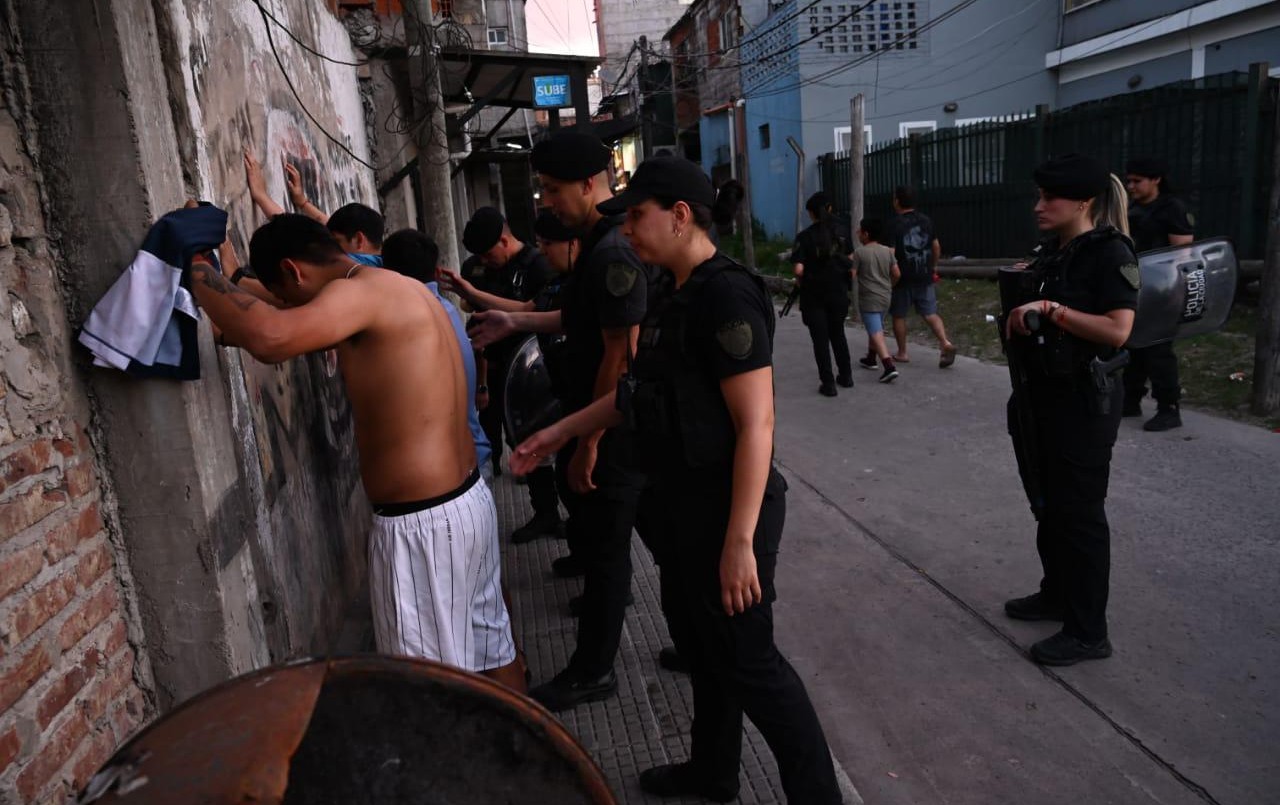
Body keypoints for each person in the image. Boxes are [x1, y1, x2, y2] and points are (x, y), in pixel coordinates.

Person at [509, 156, 842, 804]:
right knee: (702, 647)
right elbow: (636, 394)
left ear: (681, 215)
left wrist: (739, 541)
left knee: (751, 661)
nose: (627, 229)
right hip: (682, 502)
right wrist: (560, 432)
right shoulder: (671, 291)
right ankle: (714, 771)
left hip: (728, 508)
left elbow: (757, 424)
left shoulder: (727, 294)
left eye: (636, 215)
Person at [191, 214, 524, 691]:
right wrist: (234, 284)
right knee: (492, 649)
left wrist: (196, 269)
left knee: (426, 689)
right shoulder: (392, 286)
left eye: (287, 295)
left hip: (423, 525)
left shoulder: (357, 294)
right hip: (464, 503)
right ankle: (531, 761)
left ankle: (453, 766)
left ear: (295, 270)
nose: (289, 306)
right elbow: (268, 314)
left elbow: (271, 337)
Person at [467, 129, 662, 711]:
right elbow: (574, 319)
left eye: (553, 191)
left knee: (606, 554)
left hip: (615, 433)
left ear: (587, 184)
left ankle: (593, 671)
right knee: (632, 544)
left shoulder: (612, 252)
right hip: (602, 424)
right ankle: (688, 638)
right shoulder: (595, 244)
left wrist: (587, 441)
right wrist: (514, 323)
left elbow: (618, 354)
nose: (546, 203)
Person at [1002, 154, 1139, 666]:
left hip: (1082, 403)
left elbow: (1117, 329)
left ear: (1082, 201)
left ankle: (1088, 631)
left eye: (1048, 198)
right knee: (1048, 504)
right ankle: (1057, 593)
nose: (1039, 206)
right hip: (1042, 398)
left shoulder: (1109, 252)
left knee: (1080, 515)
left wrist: (1050, 310)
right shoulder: (1056, 251)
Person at [462, 206, 558, 531]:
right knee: (504, 439)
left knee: (536, 440)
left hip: (535, 368)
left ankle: (552, 512)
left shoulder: (536, 266)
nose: (485, 262)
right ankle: (538, 511)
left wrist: (473, 294)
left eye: (489, 254)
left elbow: (534, 312)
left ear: (504, 241)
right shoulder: (478, 268)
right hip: (494, 365)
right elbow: (475, 321)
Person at [379, 229, 492, 482]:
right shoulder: (445, 308)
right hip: (472, 460)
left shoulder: (409, 320)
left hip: (455, 476)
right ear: (437, 271)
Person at [1123, 157, 1195, 432]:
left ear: (1156, 180)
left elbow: (1183, 255)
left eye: (1137, 181)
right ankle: (1131, 401)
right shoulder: (1133, 208)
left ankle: (1169, 408)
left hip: (1164, 290)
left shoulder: (1171, 208)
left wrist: (1176, 292)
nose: (1131, 186)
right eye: (1129, 180)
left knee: (1159, 350)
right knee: (1133, 345)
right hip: (1137, 286)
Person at [244, 149, 384, 265]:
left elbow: (291, 232)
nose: (331, 244)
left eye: (337, 241)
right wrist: (302, 202)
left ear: (359, 240)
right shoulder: (381, 259)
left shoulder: (354, 264)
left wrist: (261, 196)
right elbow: (326, 224)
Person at [792, 192, 855, 396]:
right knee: (838, 334)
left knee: (820, 340)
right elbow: (851, 261)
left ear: (811, 213)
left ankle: (828, 384)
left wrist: (802, 281)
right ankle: (846, 376)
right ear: (829, 209)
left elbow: (798, 270)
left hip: (814, 296)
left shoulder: (804, 237)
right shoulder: (843, 232)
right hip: (838, 293)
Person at [888, 186, 956, 368]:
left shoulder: (895, 224)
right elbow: (936, 247)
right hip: (924, 275)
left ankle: (902, 352)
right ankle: (945, 343)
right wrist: (933, 267)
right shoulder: (926, 220)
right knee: (930, 313)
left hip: (902, 279)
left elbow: (891, 253)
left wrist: (889, 276)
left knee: (898, 315)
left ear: (897, 201)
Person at [852, 218, 901, 383]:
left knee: (875, 331)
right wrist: (889, 286)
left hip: (869, 299)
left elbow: (851, 274)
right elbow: (896, 274)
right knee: (876, 326)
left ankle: (888, 366)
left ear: (866, 234)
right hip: (885, 296)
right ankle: (871, 358)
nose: (858, 233)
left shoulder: (860, 253)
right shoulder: (887, 251)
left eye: (860, 231)